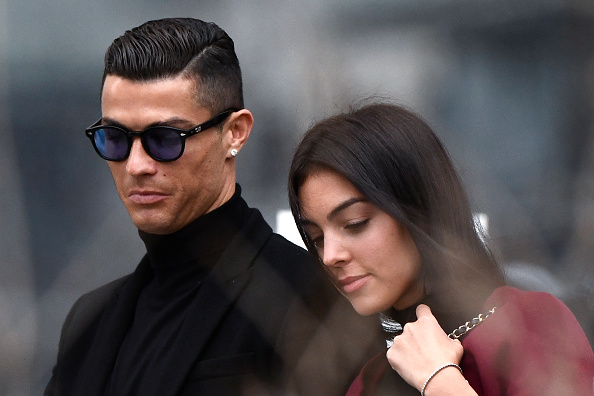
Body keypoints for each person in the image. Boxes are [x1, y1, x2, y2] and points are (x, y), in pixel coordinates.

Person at [45, 18, 381, 396]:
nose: (136, 165)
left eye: (165, 139)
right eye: (115, 139)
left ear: (234, 132)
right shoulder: (88, 322)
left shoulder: (307, 295)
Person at [288, 102, 594, 396]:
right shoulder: (372, 379)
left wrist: (441, 382)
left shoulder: (527, 325)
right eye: (317, 238)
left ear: (419, 209)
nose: (330, 256)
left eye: (355, 224)